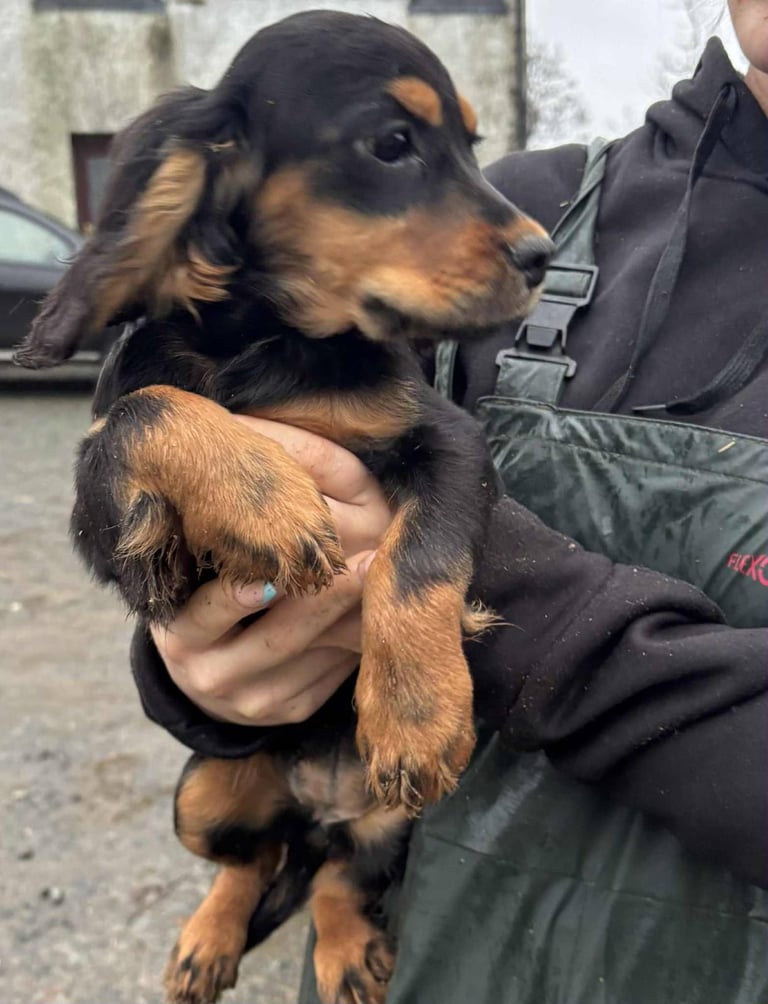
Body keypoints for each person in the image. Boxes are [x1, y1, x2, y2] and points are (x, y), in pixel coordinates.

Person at [122, 3, 768, 1001]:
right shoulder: (525, 213)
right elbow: (269, 453)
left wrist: (528, 621)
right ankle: (286, 884)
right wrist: (212, 660)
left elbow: (414, 513)